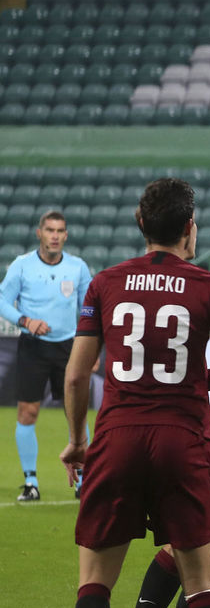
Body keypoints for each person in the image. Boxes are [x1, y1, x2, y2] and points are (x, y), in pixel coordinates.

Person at [60, 178, 210, 608]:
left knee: (94, 578)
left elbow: (78, 377)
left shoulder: (104, 283)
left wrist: (78, 441)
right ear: (190, 228)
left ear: (140, 224)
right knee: (204, 578)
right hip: (181, 439)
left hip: (118, 435)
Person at [0, 209, 92, 500]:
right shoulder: (22, 265)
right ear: (39, 233)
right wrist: (26, 321)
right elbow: (2, 299)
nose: (55, 236)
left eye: (60, 231)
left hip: (69, 348)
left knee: (74, 413)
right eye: (49, 230)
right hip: (33, 347)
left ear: (66, 235)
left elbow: (90, 310)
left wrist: (92, 347)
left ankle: (82, 481)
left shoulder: (77, 267)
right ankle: (31, 483)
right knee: (28, 412)